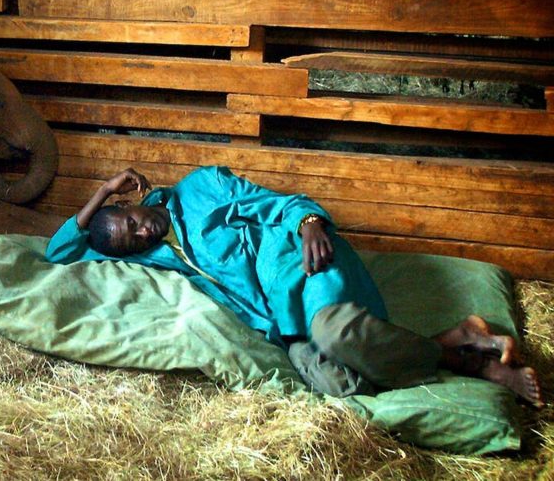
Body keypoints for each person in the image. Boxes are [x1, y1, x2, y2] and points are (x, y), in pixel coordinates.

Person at [46, 167, 543, 406]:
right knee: (337, 386)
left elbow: (279, 201)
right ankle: (454, 346)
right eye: (130, 243)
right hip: (279, 323)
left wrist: (308, 221)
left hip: (304, 267)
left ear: (137, 202)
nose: (140, 234)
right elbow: (58, 252)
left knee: (335, 336)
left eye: (131, 221)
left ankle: (476, 364)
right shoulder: (151, 253)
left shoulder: (202, 188)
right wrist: (102, 192)